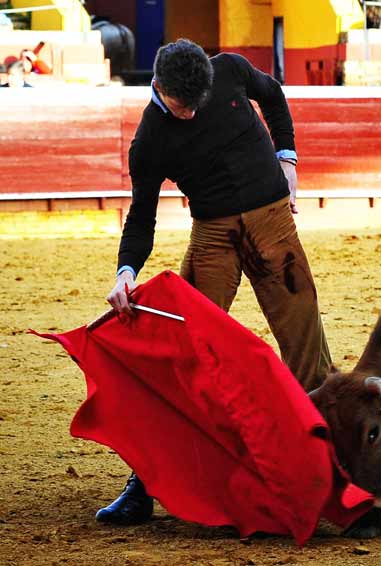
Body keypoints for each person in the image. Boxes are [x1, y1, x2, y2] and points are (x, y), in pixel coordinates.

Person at [97, 38, 333, 526]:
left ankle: (334, 475)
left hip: (274, 225)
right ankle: (145, 484)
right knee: (182, 355)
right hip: (214, 239)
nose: (191, 114)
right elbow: (141, 217)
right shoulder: (150, 141)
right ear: (159, 87)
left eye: (199, 102)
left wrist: (287, 156)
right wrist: (125, 272)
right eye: (184, 107)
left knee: (308, 350)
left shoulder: (228, 69)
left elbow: (272, 95)